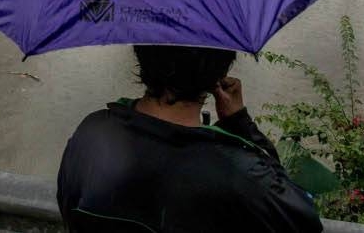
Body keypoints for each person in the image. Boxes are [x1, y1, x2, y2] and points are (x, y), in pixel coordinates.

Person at [57, 45, 323, 233]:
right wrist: (240, 123)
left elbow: (69, 208)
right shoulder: (240, 173)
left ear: (141, 53)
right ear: (218, 74)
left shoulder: (91, 132)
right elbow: (303, 221)